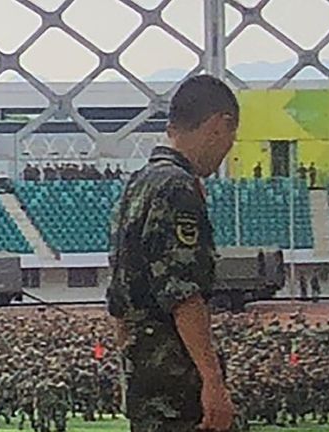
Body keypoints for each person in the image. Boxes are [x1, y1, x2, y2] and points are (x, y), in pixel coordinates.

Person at [106, 75, 238, 432]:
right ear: (217, 125)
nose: (228, 148)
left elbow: (118, 299)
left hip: (144, 382)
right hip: (177, 386)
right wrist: (212, 381)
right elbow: (183, 294)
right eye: (230, 137)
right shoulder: (178, 188)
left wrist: (129, 372)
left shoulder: (137, 184)